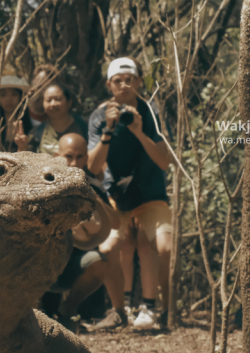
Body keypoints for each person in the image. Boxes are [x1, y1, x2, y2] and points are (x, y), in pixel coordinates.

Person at [87, 57, 173, 329]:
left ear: (138, 82)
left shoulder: (152, 112)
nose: (124, 85)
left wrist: (138, 130)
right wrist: (108, 131)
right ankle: (119, 309)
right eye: (117, 81)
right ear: (109, 85)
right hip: (117, 197)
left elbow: (163, 161)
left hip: (151, 194)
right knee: (109, 247)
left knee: (164, 248)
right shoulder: (100, 116)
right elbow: (93, 167)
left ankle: (160, 310)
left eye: (129, 79)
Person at [43, 133, 116, 333]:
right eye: (69, 156)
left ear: (86, 158)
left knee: (99, 262)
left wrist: (93, 197)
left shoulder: (92, 185)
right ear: (57, 155)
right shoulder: (42, 183)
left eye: (79, 157)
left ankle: (68, 309)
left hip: (73, 266)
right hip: (40, 266)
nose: (74, 163)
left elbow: (115, 222)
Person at [16, 83, 87, 155]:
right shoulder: (36, 133)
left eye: (57, 99)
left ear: (69, 102)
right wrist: (22, 147)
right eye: (49, 100)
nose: (53, 104)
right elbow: (26, 161)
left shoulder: (84, 126)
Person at [0, 75, 33, 152]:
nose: (9, 99)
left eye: (14, 94)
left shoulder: (33, 127)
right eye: (3, 95)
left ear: (21, 97)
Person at [26, 64, 59, 128]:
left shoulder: (57, 115)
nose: (40, 92)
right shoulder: (21, 110)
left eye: (45, 88)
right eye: (38, 87)